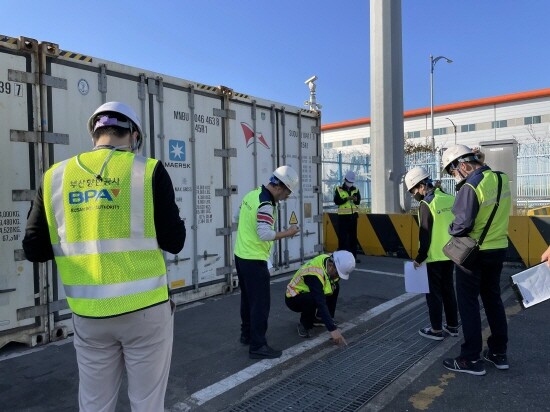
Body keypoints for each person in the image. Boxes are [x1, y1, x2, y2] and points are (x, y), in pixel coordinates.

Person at [22, 102, 186, 411]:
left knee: (95, 404)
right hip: (145, 310)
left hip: (89, 314)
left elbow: (34, 248)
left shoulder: (55, 177)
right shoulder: (148, 170)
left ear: (94, 133)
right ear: (133, 135)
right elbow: (175, 241)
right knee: (147, 403)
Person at [440, 144, 511, 376]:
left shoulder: (470, 185)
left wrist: (451, 227)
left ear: (462, 165)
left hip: (473, 254)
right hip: (498, 248)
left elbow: (462, 224)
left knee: (468, 304)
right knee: (493, 300)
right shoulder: (501, 178)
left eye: (453, 172)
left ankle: (471, 359)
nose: (454, 177)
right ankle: (499, 353)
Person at [234, 166, 301, 359]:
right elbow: (264, 234)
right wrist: (289, 233)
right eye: (287, 192)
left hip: (241, 255)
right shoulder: (266, 204)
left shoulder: (252, 195)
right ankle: (258, 345)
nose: (287, 197)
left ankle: (246, 335)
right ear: (280, 187)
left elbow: (239, 219)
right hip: (254, 260)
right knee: (260, 305)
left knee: (247, 300)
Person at [404, 167, 459, 341]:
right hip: (451, 254)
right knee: (449, 290)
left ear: (421, 186)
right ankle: (452, 326)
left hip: (433, 256)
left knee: (434, 294)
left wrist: (420, 257)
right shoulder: (450, 198)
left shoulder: (427, 204)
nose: (414, 194)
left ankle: (436, 330)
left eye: (413, 190)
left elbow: (425, 233)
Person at [285, 250, 355, 345]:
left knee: (335, 287)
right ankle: (304, 324)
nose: (338, 276)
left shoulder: (330, 261)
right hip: (294, 297)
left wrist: (329, 320)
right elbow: (320, 302)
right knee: (312, 299)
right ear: (331, 266)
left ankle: (321, 318)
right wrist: (333, 330)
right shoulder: (314, 275)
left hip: (308, 292)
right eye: (338, 273)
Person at [334, 170, 361, 261]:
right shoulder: (338, 189)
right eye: (349, 182)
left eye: (351, 182)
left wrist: (355, 199)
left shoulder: (355, 189)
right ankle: (341, 258)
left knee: (353, 238)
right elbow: (337, 201)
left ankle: (353, 257)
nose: (350, 183)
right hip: (343, 217)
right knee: (342, 238)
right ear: (345, 180)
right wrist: (347, 198)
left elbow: (358, 202)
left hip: (353, 217)